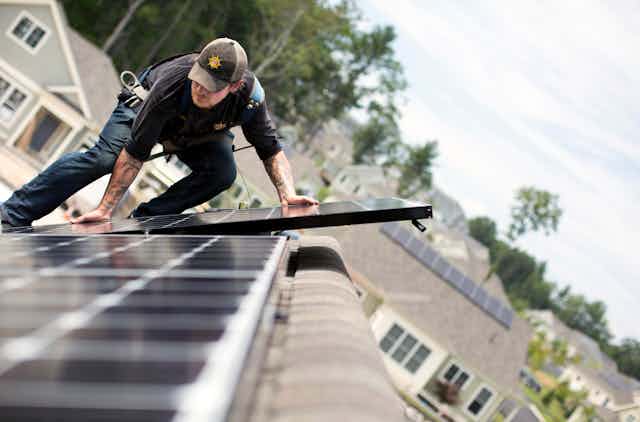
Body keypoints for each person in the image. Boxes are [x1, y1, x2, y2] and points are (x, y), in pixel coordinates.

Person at [0, 37, 318, 227]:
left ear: (234, 87)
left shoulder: (250, 99)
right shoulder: (172, 83)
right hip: (144, 107)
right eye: (199, 79)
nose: (200, 90)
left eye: (212, 88)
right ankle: (13, 214)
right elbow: (134, 154)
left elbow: (272, 150)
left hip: (198, 132)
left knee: (222, 172)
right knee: (104, 158)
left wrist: (287, 195)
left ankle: (146, 219)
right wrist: (104, 210)